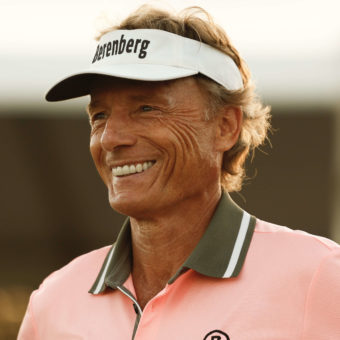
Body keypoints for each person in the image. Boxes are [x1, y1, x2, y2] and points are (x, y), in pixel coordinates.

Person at [18, 5, 340, 340]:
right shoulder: (53, 304)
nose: (111, 138)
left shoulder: (318, 276)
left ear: (225, 126)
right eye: (99, 115)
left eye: (146, 108)